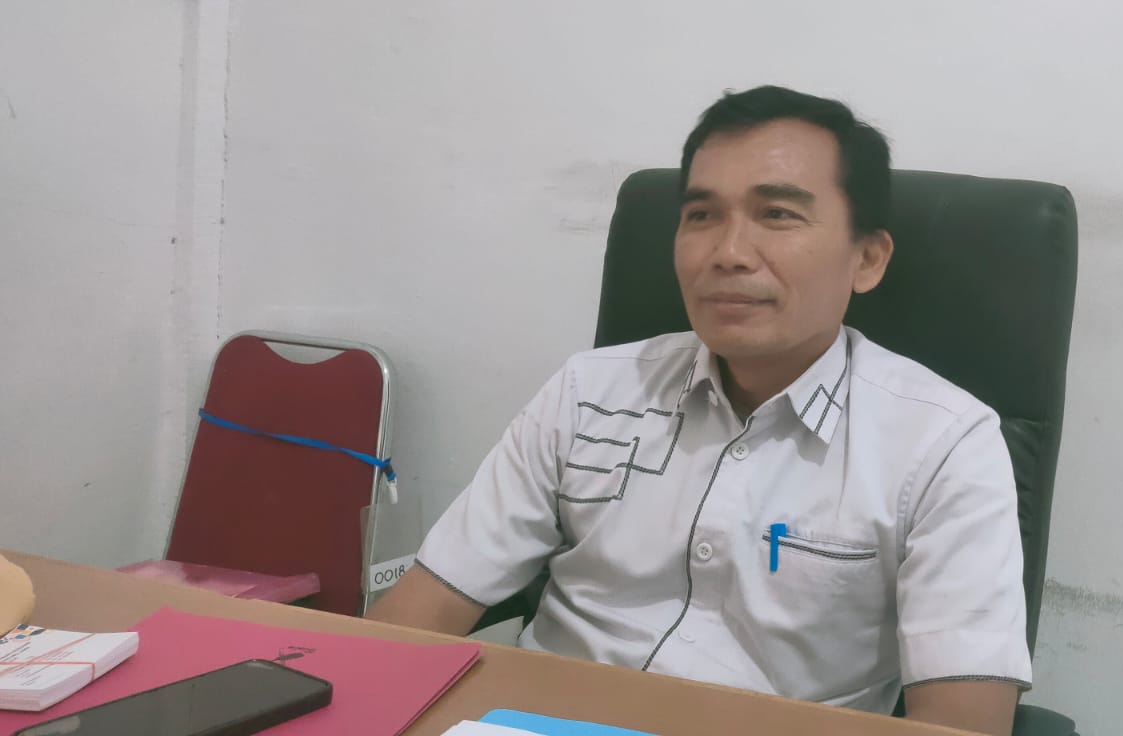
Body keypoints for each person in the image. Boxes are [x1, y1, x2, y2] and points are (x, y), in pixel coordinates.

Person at [368, 85, 1031, 735]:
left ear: (867, 258)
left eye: (778, 214)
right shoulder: (588, 390)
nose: (728, 253)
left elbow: (963, 725)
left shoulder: (943, 443)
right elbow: (420, 612)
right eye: (702, 216)